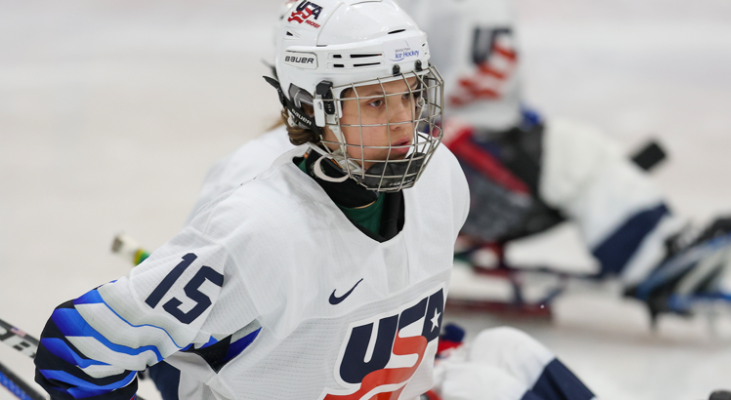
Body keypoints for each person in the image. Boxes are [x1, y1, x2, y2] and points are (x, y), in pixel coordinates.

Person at [188, 0, 731, 328]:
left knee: (574, 150)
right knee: (574, 156)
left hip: (483, 146)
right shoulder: (388, 11)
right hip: (446, 155)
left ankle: (653, 243)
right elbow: (356, 89)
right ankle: (655, 255)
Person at [34, 1, 473, 398]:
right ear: (311, 106)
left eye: (411, 93)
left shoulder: (442, 180)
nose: (404, 121)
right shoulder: (262, 230)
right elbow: (77, 346)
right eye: (376, 102)